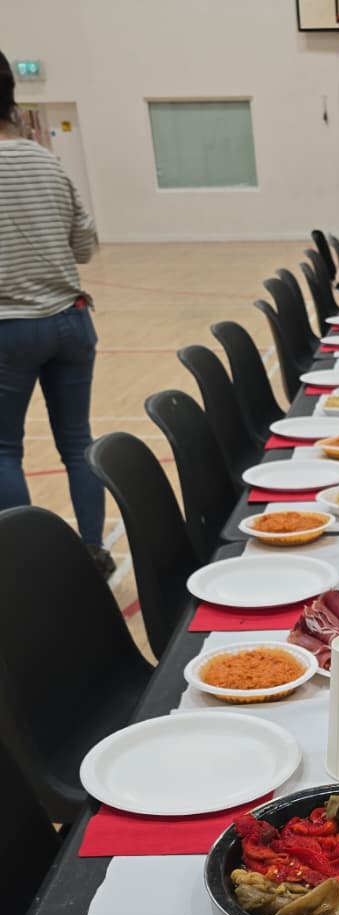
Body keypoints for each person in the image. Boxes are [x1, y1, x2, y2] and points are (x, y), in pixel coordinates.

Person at [0, 51, 114, 578]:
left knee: (4, 450)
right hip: (71, 320)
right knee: (76, 442)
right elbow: (85, 244)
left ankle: (24, 566)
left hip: (9, 327)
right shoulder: (46, 160)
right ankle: (93, 552)